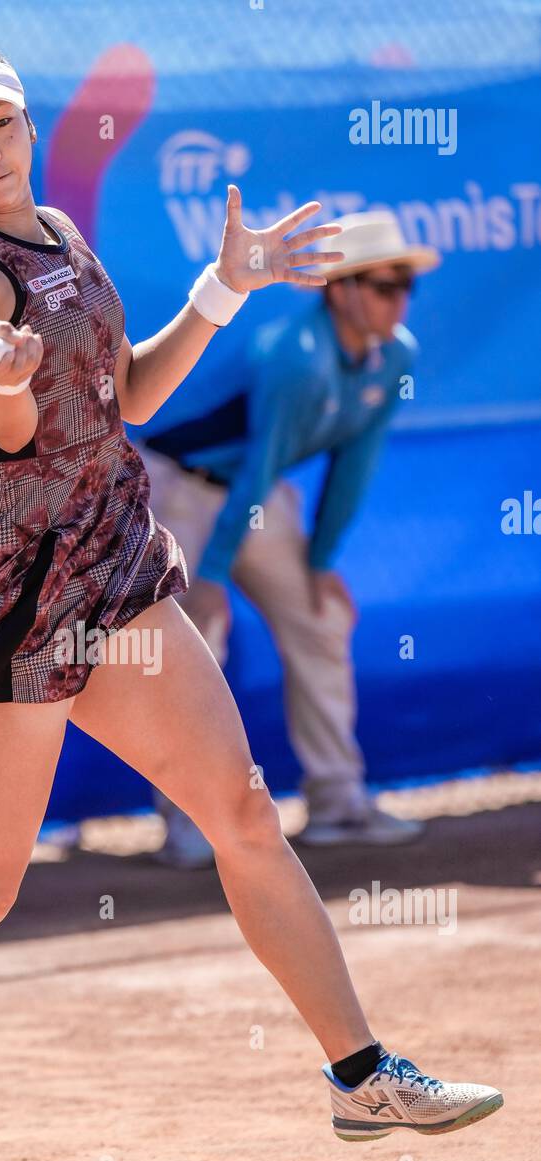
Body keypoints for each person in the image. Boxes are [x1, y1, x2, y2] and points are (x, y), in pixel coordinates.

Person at [0, 39, 502, 1161]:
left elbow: (126, 396)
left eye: (5, 122)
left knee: (241, 811)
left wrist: (219, 292)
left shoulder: (64, 237)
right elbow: (15, 433)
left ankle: (356, 1072)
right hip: (17, 601)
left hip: (116, 572)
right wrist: (8, 377)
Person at [139, 212, 441, 867]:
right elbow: (260, 463)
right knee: (198, 641)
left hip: (255, 493)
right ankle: (193, 826)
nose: (398, 300)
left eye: (405, 286)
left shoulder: (398, 358)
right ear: (341, 290)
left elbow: (356, 461)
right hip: (175, 488)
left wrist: (322, 561)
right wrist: (212, 579)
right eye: (384, 285)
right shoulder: (294, 358)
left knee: (321, 616)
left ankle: (339, 805)